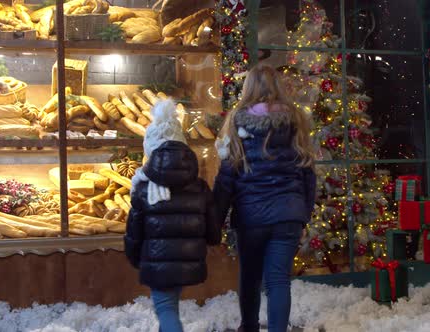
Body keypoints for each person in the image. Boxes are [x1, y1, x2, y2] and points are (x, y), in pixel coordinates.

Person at [214, 64, 317, 332]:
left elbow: (226, 177)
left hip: (251, 217)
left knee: (250, 276)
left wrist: (214, 221)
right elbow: (308, 172)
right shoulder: (295, 120)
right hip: (288, 214)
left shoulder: (236, 120)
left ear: (248, 88)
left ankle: (248, 327)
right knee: (278, 281)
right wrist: (303, 213)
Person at [124, 99, 221, 332]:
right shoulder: (199, 186)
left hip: (157, 261)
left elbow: (134, 232)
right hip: (189, 259)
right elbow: (213, 232)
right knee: (170, 307)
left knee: (165, 309)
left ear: (150, 149)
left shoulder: (143, 188)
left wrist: (136, 258)